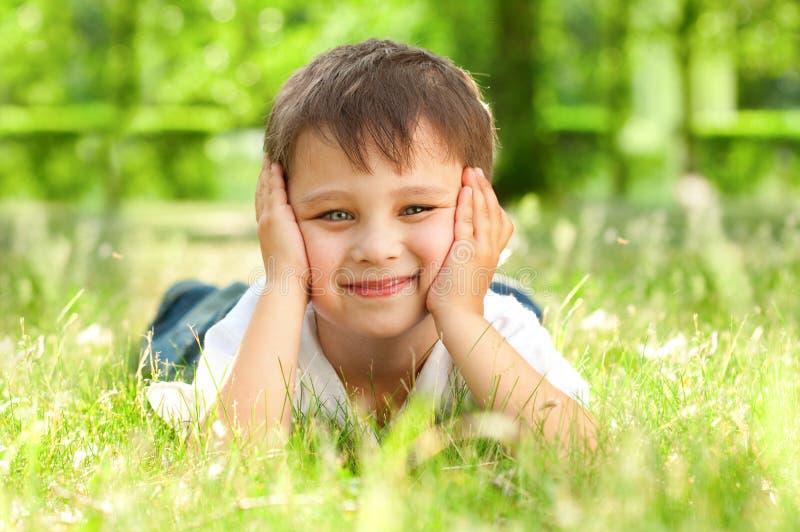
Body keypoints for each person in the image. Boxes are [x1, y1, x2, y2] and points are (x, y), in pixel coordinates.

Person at [145, 38, 595, 449]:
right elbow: (232, 457)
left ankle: (504, 288)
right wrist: (283, 281)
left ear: (477, 209)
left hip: (464, 293)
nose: (377, 248)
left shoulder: (499, 328)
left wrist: (461, 316)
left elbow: (585, 456)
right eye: (336, 214)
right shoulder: (263, 320)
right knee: (185, 331)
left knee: (514, 301)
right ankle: (190, 298)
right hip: (242, 309)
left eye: (415, 208)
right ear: (283, 217)